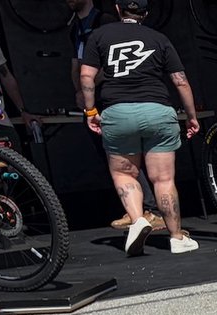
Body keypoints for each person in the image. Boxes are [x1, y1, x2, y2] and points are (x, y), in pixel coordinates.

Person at [80, 0, 199, 255]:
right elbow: (181, 82)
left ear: (117, 8)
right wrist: (191, 116)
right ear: (146, 12)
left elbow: (86, 76)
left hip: (118, 112)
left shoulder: (99, 36)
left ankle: (137, 220)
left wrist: (90, 110)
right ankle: (177, 238)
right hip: (158, 111)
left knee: (125, 174)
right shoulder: (159, 38)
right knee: (164, 178)